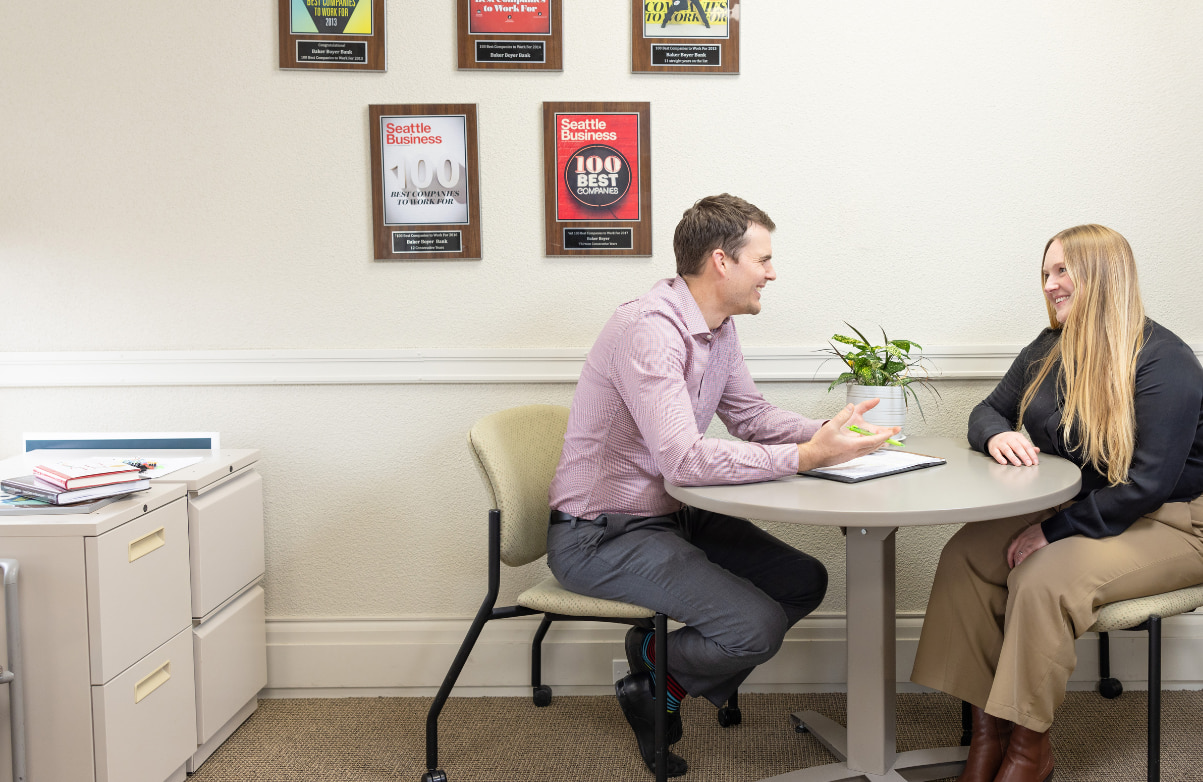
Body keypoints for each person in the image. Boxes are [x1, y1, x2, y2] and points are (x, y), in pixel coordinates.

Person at [547, 193, 899, 776]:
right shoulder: (649, 330)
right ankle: (659, 679)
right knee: (754, 626)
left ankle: (662, 671)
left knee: (802, 580)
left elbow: (751, 417)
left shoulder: (718, 328)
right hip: (599, 535)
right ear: (721, 261)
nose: (772, 271)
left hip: (670, 515)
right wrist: (806, 457)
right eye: (762, 259)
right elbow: (683, 461)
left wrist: (831, 434)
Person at [911, 224, 1203, 782]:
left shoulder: (1167, 363)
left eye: (1062, 270)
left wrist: (1052, 531)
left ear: (1103, 274)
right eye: (1045, 273)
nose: (1049, 284)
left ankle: (1029, 749)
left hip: (1175, 522)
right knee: (967, 555)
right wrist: (996, 434)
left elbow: (1147, 486)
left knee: (1043, 578)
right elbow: (986, 411)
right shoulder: (1050, 347)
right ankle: (986, 739)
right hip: (1088, 508)